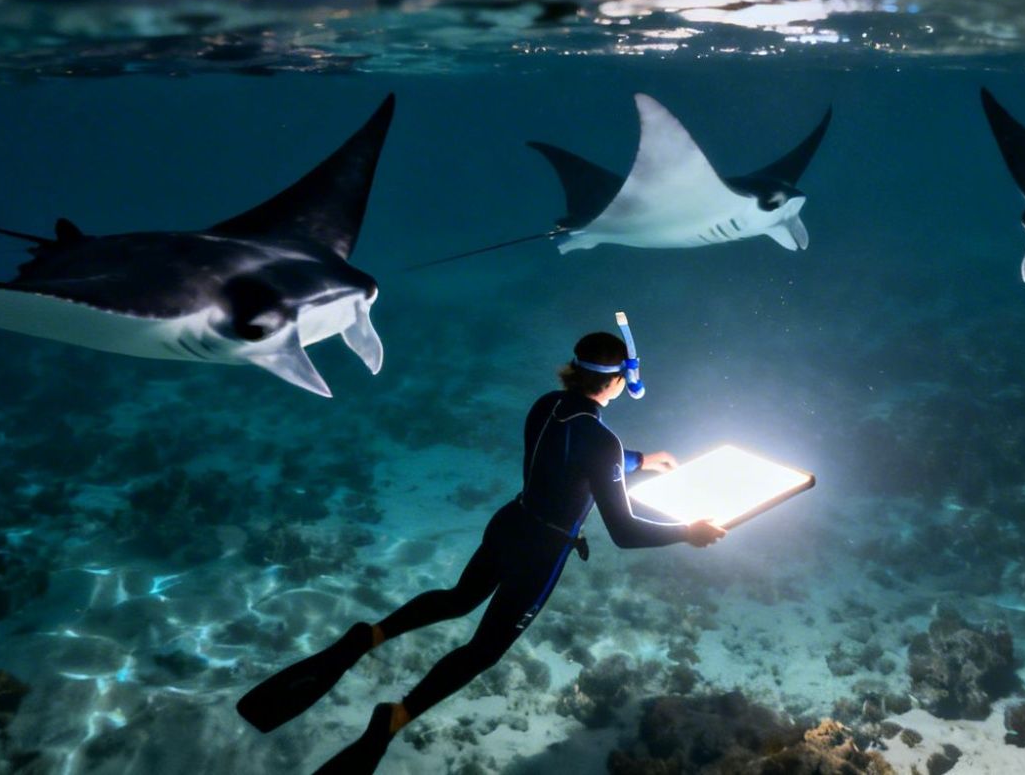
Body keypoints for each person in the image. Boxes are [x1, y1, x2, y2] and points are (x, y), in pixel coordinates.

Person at [237, 330, 725, 773]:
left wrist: (643, 460)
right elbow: (624, 529)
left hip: (510, 523)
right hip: (543, 551)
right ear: (619, 381)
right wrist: (689, 531)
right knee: (483, 649)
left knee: (457, 599)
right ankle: (395, 716)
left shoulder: (548, 404)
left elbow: (575, 458)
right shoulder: (604, 442)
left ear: (575, 371)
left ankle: (370, 635)